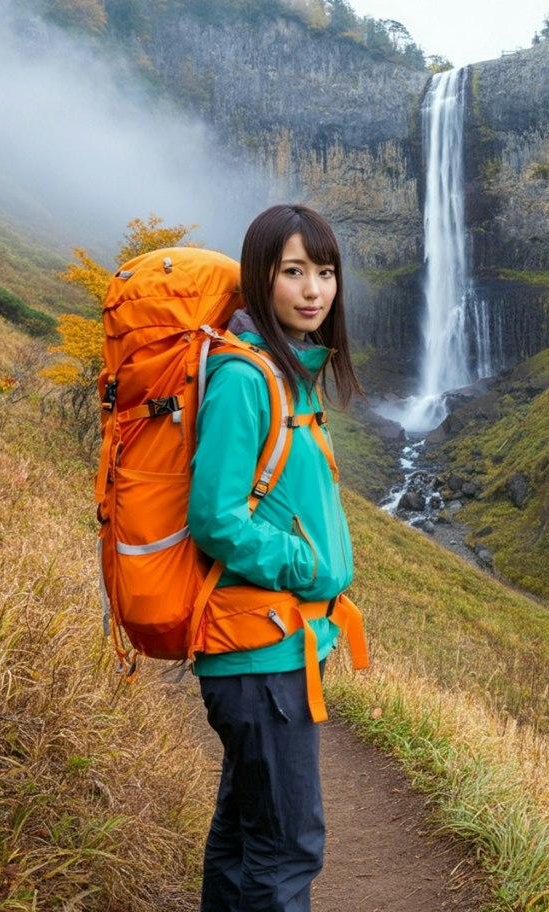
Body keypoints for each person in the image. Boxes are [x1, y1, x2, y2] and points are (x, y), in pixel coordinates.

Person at [188, 204, 364, 911]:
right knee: (289, 845)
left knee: (246, 837)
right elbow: (215, 517)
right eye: (294, 271)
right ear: (261, 277)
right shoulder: (246, 378)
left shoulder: (291, 376)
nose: (314, 289)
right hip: (260, 648)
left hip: (277, 646)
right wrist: (305, 564)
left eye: (325, 271)